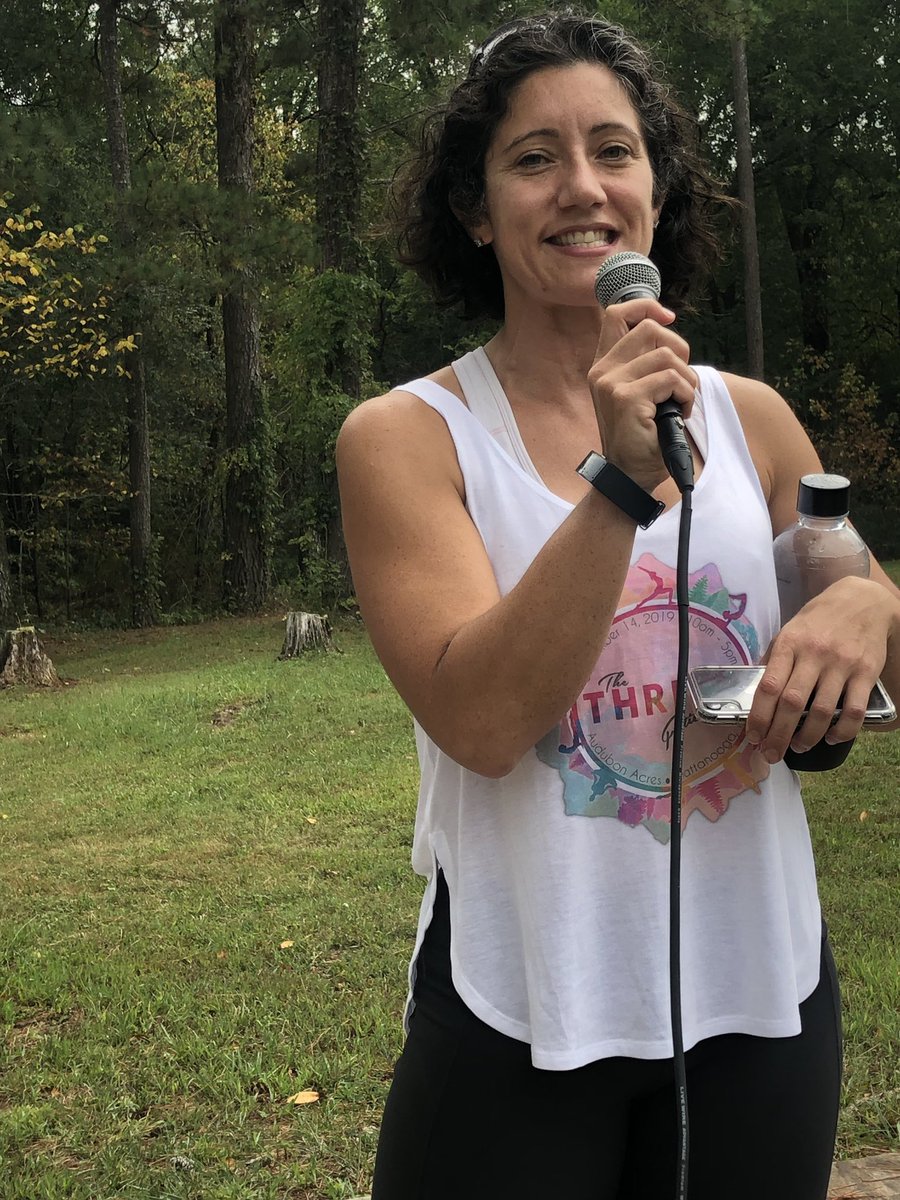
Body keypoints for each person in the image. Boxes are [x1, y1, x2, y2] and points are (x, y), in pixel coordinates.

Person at [336, 12, 900, 1199]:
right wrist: (621, 483)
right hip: (524, 999)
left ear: (657, 187)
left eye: (615, 149)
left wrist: (870, 610)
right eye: (534, 158)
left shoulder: (750, 416)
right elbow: (482, 721)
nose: (581, 187)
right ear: (475, 209)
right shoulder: (406, 438)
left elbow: (851, 588)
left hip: (762, 996)